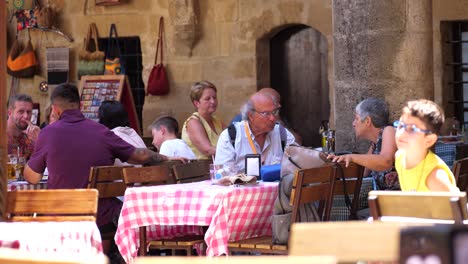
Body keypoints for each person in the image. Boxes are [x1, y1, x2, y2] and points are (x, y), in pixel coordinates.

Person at [23, 83, 186, 260]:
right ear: (80, 105)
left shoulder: (48, 134)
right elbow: (139, 155)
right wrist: (164, 157)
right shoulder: (101, 131)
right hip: (102, 218)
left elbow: (32, 177)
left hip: (62, 217)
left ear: (55, 109)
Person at [327, 98, 399, 190]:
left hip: (403, 200)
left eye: (356, 118)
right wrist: (336, 163)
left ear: (367, 121)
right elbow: (364, 172)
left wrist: (352, 157)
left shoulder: (389, 130)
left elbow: (386, 162)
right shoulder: (375, 144)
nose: (353, 123)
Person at [215, 91, 296, 172]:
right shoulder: (231, 136)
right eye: (266, 113)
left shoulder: (282, 134)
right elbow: (222, 175)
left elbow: (297, 166)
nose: (272, 118)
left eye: (274, 112)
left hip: (277, 184)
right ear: (251, 115)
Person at [394, 99, 458, 192]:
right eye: (400, 125)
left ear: (429, 140)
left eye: (412, 129)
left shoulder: (435, 177)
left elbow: (455, 206)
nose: (402, 133)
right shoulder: (399, 157)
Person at [230, 88, 303, 145]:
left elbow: (297, 145)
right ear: (251, 116)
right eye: (266, 113)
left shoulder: (280, 127)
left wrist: (279, 121)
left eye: (278, 103)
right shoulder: (235, 129)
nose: (279, 105)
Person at [181, 81, 226, 159]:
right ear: (196, 103)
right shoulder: (193, 122)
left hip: (219, 167)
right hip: (201, 169)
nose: (213, 101)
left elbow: (233, 141)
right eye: (207, 99)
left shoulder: (217, 121)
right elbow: (208, 150)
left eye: (214, 97)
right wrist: (232, 152)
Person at [98, 100, 147, 166]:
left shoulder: (111, 136)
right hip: (146, 173)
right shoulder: (132, 132)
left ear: (103, 119)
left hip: (127, 175)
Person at [7, 94, 41, 160]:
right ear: (9, 112)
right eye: (21, 111)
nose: (26, 116)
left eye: (29, 112)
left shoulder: (30, 139)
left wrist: (41, 139)